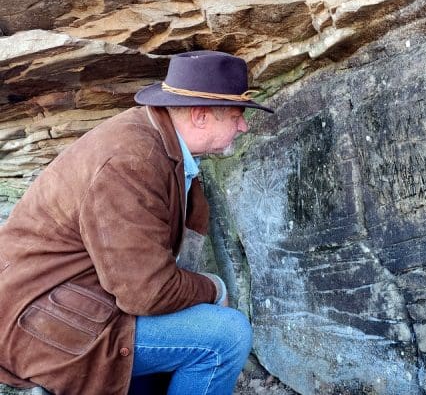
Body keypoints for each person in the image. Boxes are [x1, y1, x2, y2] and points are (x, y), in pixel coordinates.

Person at [0, 51, 273, 394]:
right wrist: (214, 288)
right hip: (42, 323)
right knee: (227, 335)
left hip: (67, 300)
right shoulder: (132, 162)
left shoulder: (151, 137)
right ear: (201, 116)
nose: (244, 126)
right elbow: (147, 293)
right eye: (236, 115)